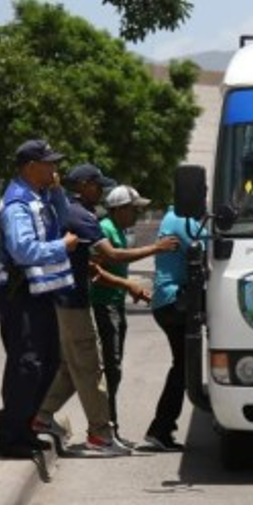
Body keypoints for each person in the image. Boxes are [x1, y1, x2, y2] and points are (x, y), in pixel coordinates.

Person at [33, 164, 176, 456]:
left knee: (71, 369)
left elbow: (90, 259)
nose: (101, 191)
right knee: (90, 367)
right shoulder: (80, 215)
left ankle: (41, 416)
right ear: (84, 184)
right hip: (73, 302)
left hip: (64, 298)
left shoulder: (66, 209)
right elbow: (111, 255)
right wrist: (156, 248)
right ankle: (100, 435)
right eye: (97, 185)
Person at [0, 139, 79, 459]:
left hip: (41, 292)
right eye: (49, 164)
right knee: (26, 365)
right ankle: (10, 435)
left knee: (49, 361)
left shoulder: (40, 196)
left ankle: (26, 428)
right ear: (30, 167)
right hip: (20, 293)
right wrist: (62, 247)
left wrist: (56, 192)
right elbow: (23, 250)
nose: (55, 168)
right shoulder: (17, 204)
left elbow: (65, 216)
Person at [88, 184, 180, 443]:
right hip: (104, 305)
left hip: (115, 304)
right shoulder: (104, 229)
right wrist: (155, 249)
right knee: (111, 369)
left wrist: (129, 288)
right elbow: (96, 269)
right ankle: (104, 429)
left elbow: (117, 263)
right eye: (134, 209)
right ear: (119, 209)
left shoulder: (118, 230)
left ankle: (110, 428)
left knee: (114, 369)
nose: (138, 215)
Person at [139, 204, 208, 452]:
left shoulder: (175, 217)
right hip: (174, 302)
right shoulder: (182, 219)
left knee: (183, 366)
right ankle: (161, 428)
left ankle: (162, 427)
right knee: (183, 367)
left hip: (170, 302)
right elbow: (208, 250)